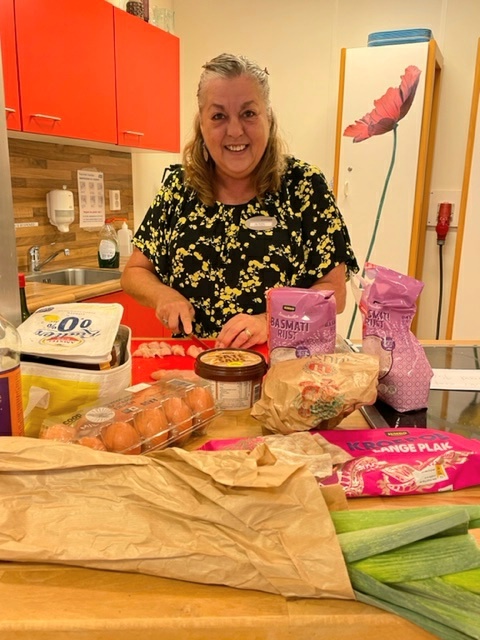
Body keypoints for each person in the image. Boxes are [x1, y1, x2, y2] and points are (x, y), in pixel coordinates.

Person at [121, 52, 358, 348]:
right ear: (202, 124)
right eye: (218, 116)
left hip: (284, 363)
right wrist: (163, 295)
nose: (235, 131)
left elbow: (334, 293)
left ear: (268, 118)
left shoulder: (305, 186)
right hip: (197, 363)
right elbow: (134, 272)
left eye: (248, 113)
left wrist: (269, 321)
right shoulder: (179, 189)